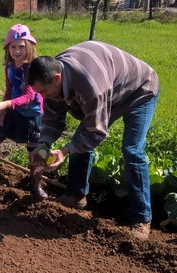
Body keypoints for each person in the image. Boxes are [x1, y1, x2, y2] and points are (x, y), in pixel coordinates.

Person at [27, 41, 159, 241]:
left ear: (56, 78)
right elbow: (53, 118)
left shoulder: (91, 87)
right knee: (80, 140)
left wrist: (64, 150)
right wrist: (44, 144)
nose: (42, 96)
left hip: (139, 90)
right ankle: (76, 195)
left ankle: (141, 218)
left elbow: (96, 133)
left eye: (44, 92)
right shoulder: (54, 76)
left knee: (132, 150)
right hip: (111, 89)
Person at [0, 24, 47, 199]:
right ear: (8, 48)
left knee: (34, 151)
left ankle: (36, 183)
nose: (17, 51)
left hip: (32, 115)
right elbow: (9, 89)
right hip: (13, 111)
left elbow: (29, 97)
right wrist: (2, 109)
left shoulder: (32, 68)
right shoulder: (9, 67)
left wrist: (5, 105)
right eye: (13, 47)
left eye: (21, 47)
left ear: (29, 47)